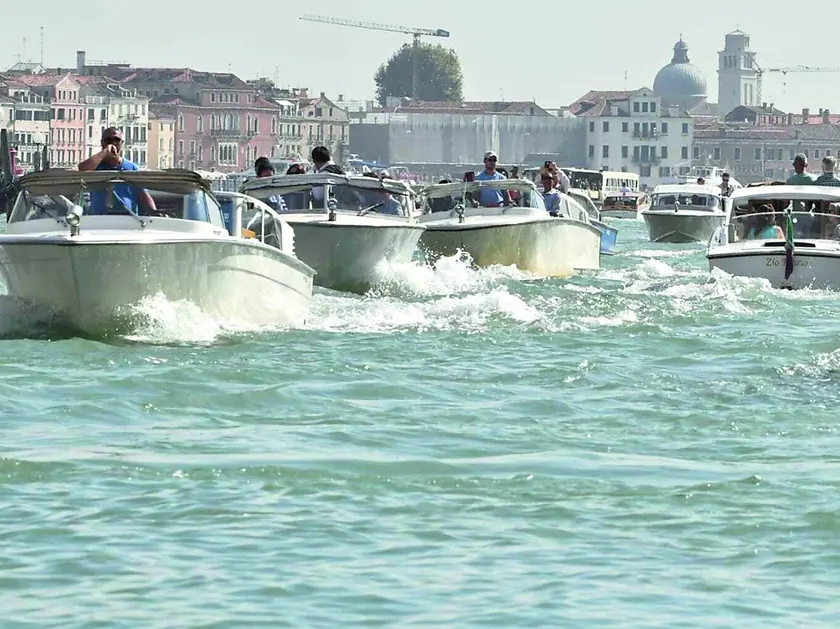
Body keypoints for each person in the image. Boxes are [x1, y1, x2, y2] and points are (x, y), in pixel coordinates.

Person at [78, 127, 157, 216]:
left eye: (116, 140)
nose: (113, 143)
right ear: (102, 143)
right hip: (100, 219)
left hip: (127, 218)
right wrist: (105, 152)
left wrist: (154, 213)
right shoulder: (95, 167)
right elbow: (82, 170)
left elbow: (143, 195)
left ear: (122, 143)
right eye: (108, 140)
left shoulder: (131, 168)